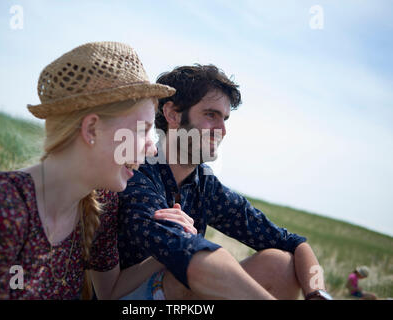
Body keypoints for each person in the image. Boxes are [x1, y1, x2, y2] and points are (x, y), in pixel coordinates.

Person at [0, 42, 196, 299]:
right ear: (92, 130)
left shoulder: (99, 202)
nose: (153, 150)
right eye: (143, 130)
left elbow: (109, 290)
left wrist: (169, 250)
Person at [116, 64, 333, 300]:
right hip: (126, 298)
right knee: (183, 277)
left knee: (279, 264)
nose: (222, 130)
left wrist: (317, 292)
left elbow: (294, 243)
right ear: (172, 114)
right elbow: (189, 255)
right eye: (211, 115)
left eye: (225, 118)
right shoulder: (137, 172)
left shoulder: (205, 184)